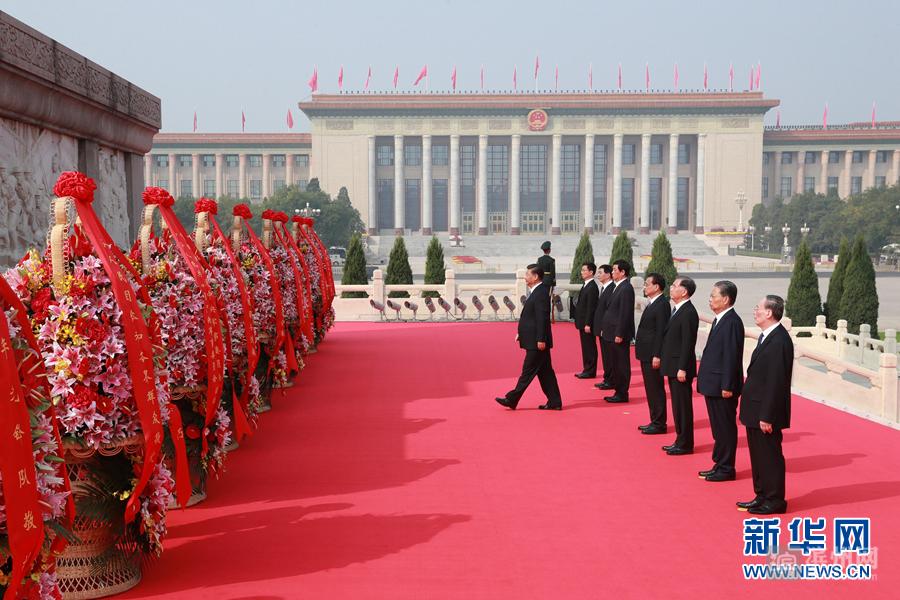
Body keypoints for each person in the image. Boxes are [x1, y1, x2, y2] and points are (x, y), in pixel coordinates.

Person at [737, 295, 793, 515]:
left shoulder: (779, 340)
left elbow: (776, 381)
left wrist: (767, 415)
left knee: (770, 456)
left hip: (765, 412)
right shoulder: (767, 337)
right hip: (755, 408)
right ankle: (761, 495)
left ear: (769, 312)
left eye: (757, 308)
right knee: (758, 456)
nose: (755, 311)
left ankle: (774, 499)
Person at [495, 264, 562, 411]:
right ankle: (555, 401)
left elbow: (542, 318)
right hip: (533, 338)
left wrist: (541, 339)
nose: (525, 277)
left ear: (535, 277)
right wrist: (522, 333)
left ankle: (512, 399)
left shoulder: (541, 293)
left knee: (528, 372)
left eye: (527, 274)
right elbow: (531, 317)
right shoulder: (536, 291)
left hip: (537, 342)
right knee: (545, 373)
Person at [696, 281, 745, 482]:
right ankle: (719, 463)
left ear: (725, 299)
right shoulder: (720, 319)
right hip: (713, 383)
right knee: (718, 427)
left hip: (722, 386)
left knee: (725, 427)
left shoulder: (732, 321)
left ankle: (726, 468)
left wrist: (727, 385)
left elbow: (731, 357)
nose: (710, 299)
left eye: (713, 295)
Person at [660, 277, 699, 455]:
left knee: (683, 406)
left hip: (680, 368)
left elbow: (688, 343)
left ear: (684, 292)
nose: (671, 288)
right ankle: (679, 439)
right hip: (673, 365)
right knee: (677, 406)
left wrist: (682, 367)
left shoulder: (689, 312)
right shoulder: (678, 310)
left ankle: (685, 443)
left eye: (675, 286)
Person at [635, 273, 670, 434]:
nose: (644, 287)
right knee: (650, 388)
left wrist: (657, 354)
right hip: (646, 352)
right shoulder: (652, 303)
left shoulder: (662, 304)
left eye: (647, 284)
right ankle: (654, 419)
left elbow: (661, 332)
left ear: (656, 287)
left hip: (652, 354)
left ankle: (659, 423)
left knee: (655, 388)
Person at [599, 260, 635, 403]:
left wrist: (620, 333)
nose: (612, 272)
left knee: (621, 364)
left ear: (622, 272)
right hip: (610, 331)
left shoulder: (626, 288)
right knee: (614, 363)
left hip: (618, 333)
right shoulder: (617, 286)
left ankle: (622, 393)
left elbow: (625, 313)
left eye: (614, 270)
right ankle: (617, 390)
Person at [573, 262, 600, 378]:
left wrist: (588, 323)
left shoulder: (592, 287)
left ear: (591, 272)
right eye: (582, 270)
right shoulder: (586, 285)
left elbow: (591, 307)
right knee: (585, 347)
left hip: (587, 323)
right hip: (582, 322)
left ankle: (590, 370)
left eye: (584, 270)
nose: (582, 272)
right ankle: (586, 369)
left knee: (590, 347)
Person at [592, 265, 615, 390]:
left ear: (608, 274)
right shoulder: (604, 288)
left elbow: (608, 311)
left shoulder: (611, 288)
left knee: (609, 356)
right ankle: (607, 378)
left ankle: (611, 380)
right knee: (605, 356)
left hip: (606, 329)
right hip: (601, 328)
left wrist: (603, 327)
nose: (598, 275)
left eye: (600, 273)